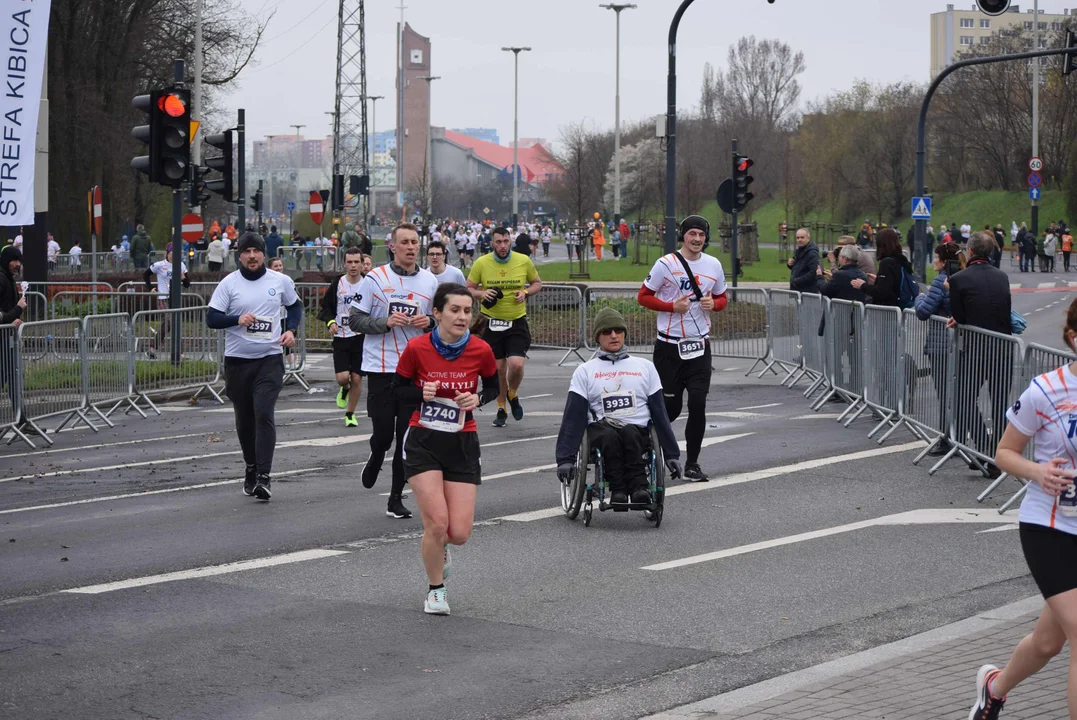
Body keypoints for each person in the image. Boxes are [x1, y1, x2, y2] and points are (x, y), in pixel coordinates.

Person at [966, 300, 1077, 720]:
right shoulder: (1046, 390)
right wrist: (1037, 471)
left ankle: (993, 689)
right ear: (1073, 338)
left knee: (1049, 643)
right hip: (1049, 529)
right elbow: (1004, 453)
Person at [392, 282, 500, 616]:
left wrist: (479, 398)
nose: (462, 316)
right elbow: (395, 391)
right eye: (455, 310)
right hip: (423, 440)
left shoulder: (480, 350)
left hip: (462, 441)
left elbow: (495, 385)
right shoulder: (417, 349)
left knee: (459, 533)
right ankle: (435, 590)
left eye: (467, 310)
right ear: (436, 313)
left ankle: (439, 549)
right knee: (437, 524)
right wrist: (419, 394)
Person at [348, 223, 439, 520]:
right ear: (393, 246)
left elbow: (440, 320)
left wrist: (431, 324)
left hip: (414, 371)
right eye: (405, 242)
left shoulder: (429, 281)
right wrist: (385, 323)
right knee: (384, 434)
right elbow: (355, 320)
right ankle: (376, 456)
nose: (411, 247)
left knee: (406, 440)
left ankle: (396, 498)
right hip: (381, 367)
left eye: (415, 242)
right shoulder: (374, 279)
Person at [207, 232, 302, 500]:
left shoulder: (280, 281)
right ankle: (250, 466)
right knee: (245, 418)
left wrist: (291, 330)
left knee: (263, 412)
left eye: (256, 251)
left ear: (263, 255)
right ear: (239, 255)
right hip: (238, 361)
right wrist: (237, 319)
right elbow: (212, 318)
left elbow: (295, 307)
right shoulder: (229, 284)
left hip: (270, 359)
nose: (251, 256)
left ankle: (264, 475)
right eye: (246, 251)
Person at [555, 307, 682, 506]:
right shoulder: (585, 371)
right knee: (610, 438)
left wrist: (672, 454)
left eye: (618, 331)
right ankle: (618, 490)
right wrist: (565, 458)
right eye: (607, 332)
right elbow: (574, 415)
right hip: (602, 427)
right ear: (598, 337)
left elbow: (659, 412)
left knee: (631, 434)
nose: (614, 336)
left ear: (624, 334)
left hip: (637, 428)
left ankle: (639, 488)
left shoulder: (645, 367)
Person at [637, 215, 728, 482]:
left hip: (699, 346)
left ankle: (692, 464)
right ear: (683, 236)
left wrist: (716, 305)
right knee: (671, 409)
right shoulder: (666, 264)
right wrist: (670, 307)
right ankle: (646, 447)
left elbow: (722, 297)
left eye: (701, 235)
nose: (697, 239)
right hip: (669, 346)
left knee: (698, 403)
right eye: (692, 234)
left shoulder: (713, 264)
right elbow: (643, 296)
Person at [948, 231, 1013, 479]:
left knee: (964, 399)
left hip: (976, 348)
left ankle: (984, 448)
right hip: (1003, 347)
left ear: (970, 251)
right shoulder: (1002, 276)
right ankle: (995, 456)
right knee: (999, 404)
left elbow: (961, 317)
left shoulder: (959, 278)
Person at [466, 226, 542, 428]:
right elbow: (468, 289)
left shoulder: (523, 261)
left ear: (511, 242)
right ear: (492, 243)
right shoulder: (482, 263)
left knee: (516, 364)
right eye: (498, 242)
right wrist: (482, 294)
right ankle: (501, 408)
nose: (502, 245)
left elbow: (537, 283)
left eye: (505, 241)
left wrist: (525, 293)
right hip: (490, 322)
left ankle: (512, 393)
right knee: (499, 369)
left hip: (516, 321)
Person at [914, 243, 963, 457]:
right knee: (960, 393)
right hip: (963, 343)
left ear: (943, 261)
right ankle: (958, 436)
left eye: (936, 257)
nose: (933, 261)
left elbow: (924, 311)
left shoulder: (939, 280)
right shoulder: (963, 276)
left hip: (941, 343)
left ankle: (947, 439)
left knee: (944, 393)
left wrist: (919, 297)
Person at [318, 247, 367, 428]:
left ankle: (350, 414)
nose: (353, 266)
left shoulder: (368, 283)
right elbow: (327, 307)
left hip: (361, 337)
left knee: (356, 378)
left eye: (357, 262)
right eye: (350, 262)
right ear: (344, 264)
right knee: (342, 378)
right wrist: (330, 322)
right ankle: (344, 389)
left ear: (362, 264)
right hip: (341, 336)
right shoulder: (337, 283)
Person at [851, 228, 916, 308]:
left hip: (887, 311)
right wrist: (879, 280)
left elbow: (882, 292)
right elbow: (894, 283)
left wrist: (863, 285)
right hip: (900, 307)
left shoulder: (887, 263)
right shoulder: (901, 260)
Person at [787, 227, 820, 292]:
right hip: (798, 290)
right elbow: (800, 268)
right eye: (798, 238)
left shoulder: (812, 253)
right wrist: (790, 264)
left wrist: (797, 281)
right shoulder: (799, 251)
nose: (799, 240)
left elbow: (813, 272)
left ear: (808, 238)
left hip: (807, 291)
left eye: (802, 237)